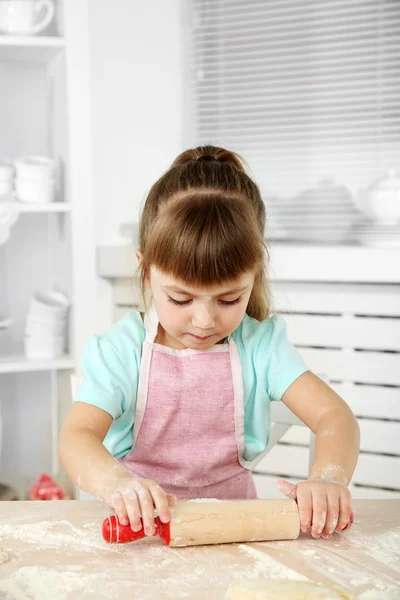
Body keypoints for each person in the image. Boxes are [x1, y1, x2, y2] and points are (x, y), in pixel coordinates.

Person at [59, 145, 360, 541]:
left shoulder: (260, 346)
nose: (204, 321)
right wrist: (116, 482)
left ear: (255, 275)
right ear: (146, 272)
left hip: (234, 539)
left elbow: (335, 418)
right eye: (181, 299)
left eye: (229, 299)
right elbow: (75, 436)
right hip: (141, 540)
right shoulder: (123, 351)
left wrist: (327, 478)